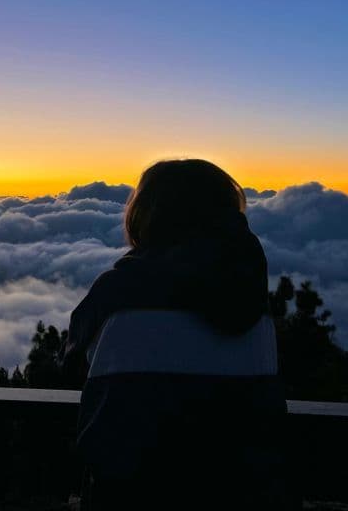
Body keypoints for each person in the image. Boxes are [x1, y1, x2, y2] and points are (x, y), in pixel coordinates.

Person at [61, 159, 294, 510]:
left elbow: (67, 368)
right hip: (249, 492)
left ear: (145, 214)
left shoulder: (116, 292)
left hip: (132, 493)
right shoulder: (251, 299)